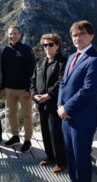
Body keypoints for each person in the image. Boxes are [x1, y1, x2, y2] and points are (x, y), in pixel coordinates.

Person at [57, 20, 97, 182]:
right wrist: (60, 106)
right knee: (71, 157)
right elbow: (63, 83)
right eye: (75, 35)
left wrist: (67, 108)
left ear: (91, 36)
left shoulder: (96, 60)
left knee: (81, 159)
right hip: (66, 116)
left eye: (82, 34)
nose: (78, 38)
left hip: (82, 119)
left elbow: (88, 90)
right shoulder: (72, 57)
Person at [30, 33, 67, 173]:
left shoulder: (62, 62)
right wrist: (34, 95)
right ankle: (50, 156)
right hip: (41, 104)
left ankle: (61, 162)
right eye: (45, 45)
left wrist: (48, 95)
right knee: (45, 132)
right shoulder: (40, 63)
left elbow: (62, 81)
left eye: (50, 44)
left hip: (53, 104)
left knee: (55, 133)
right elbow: (32, 80)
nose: (47, 47)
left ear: (57, 46)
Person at [1, 25, 35, 152]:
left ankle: (27, 140)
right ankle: (15, 137)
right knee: (11, 114)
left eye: (15, 33)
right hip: (9, 89)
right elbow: (3, 70)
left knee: (27, 115)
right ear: (8, 35)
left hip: (23, 90)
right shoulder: (6, 50)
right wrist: (3, 87)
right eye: (10, 34)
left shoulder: (27, 50)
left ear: (20, 34)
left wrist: (28, 89)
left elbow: (32, 71)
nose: (13, 36)